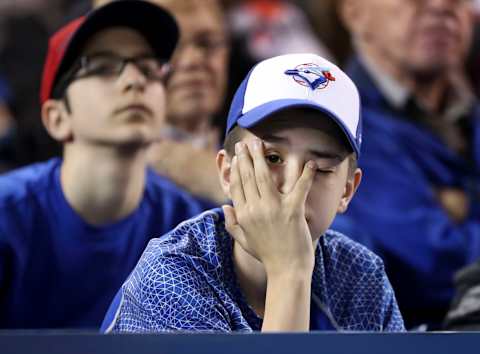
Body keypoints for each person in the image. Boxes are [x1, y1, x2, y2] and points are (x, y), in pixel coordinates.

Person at [102, 53, 405, 332]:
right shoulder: (171, 275)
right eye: (272, 158)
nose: (292, 187)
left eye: (321, 169)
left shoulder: (362, 278)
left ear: (347, 190)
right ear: (227, 171)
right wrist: (289, 272)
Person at [0, 0, 210, 329]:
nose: (135, 81)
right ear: (57, 118)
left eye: (149, 68)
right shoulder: (7, 216)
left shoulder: (191, 228)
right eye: (101, 66)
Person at [335, 0, 480, 329]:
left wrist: (464, 205)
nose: (442, 5)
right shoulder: (336, 126)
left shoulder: (469, 114)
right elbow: (436, 266)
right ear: (354, 13)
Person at [95, 0, 230, 205]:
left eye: (206, 43)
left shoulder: (262, 152)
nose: (192, 60)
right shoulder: (105, 176)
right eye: (171, 46)